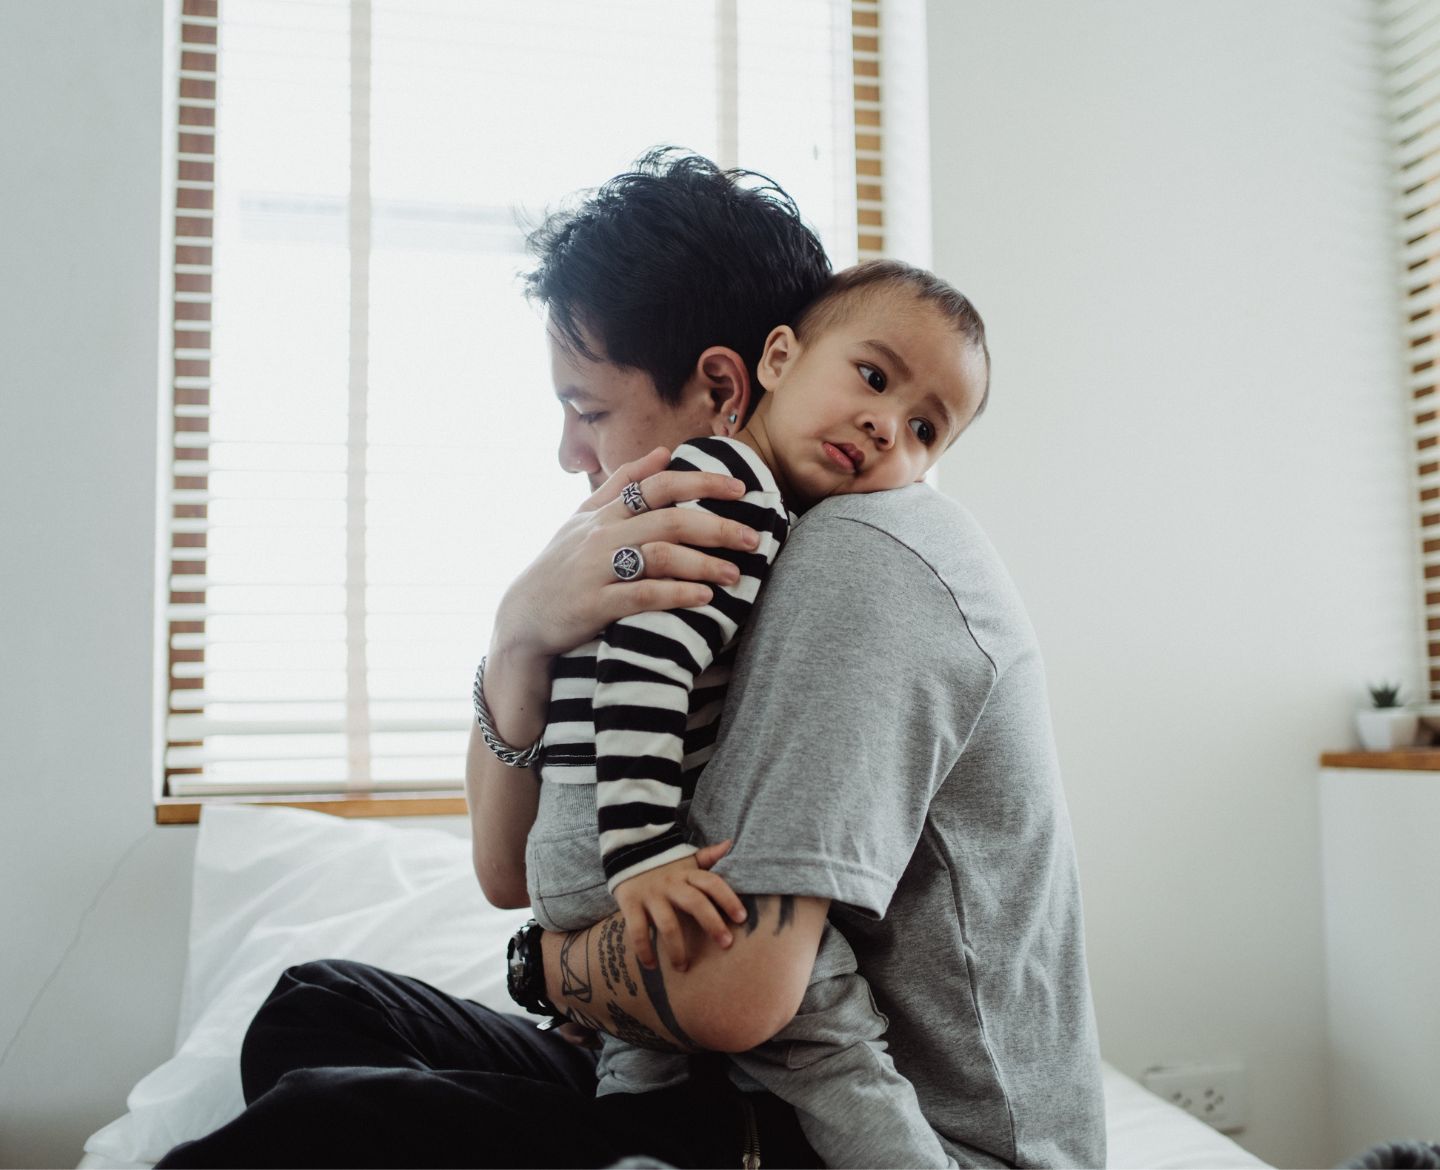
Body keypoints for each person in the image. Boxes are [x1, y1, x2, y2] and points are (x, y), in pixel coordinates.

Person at [156, 149, 1105, 1170]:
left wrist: (543, 967)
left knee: (328, 1121)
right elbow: (502, 868)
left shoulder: (862, 554)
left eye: (590, 408)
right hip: (718, 1083)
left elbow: (737, 990)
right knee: (315, 1012)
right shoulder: (713, 552)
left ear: (723, 385)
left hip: (888, 1140)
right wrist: (521, 630)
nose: (570, 450)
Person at [521, 259, 991, 1169]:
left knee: (641, 1067)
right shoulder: (732, 488)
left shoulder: (780, 509)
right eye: (873, 375)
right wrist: (641, 854)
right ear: (776, 358)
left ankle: (635, 1141)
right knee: (827, 1033)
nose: (885, 423)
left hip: (584, 839)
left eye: (924, 428)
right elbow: (645, 668)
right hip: (614, 837)